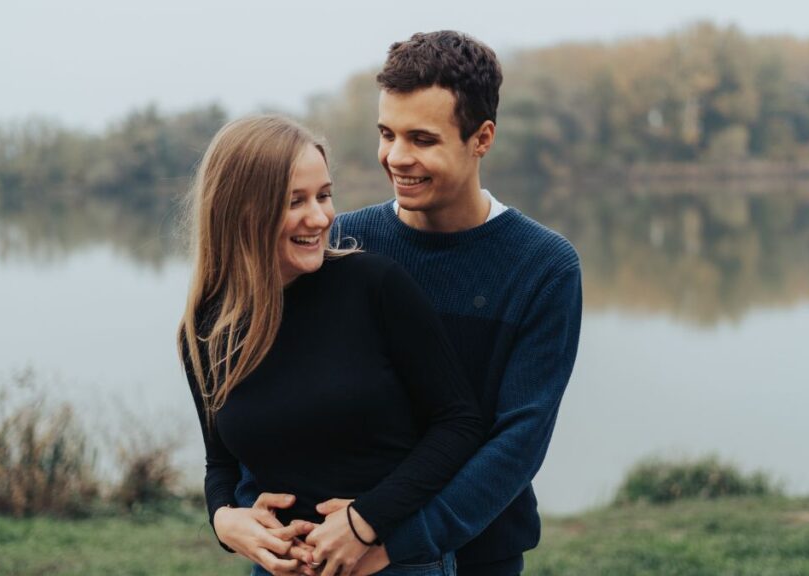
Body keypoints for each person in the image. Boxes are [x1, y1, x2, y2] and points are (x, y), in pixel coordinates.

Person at [240, 30, 583, 576]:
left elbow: (518, 440)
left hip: (478, 553)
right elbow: (273, 390)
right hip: (325, 549)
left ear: (482, 138)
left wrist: (394, 539)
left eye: (422, 139)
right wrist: (241, 505)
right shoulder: (339, 245)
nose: (396, 157)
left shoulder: (543, 266)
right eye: (386, 134)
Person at [179, 114, 482, 576]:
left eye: (324, 195)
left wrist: (366, 521)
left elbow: (459, 423)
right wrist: (224, 519)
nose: (320, 217)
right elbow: (220, 461)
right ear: (239, 210)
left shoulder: (373, 286)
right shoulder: (205, 331)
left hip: (394, 565)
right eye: (294, 201)